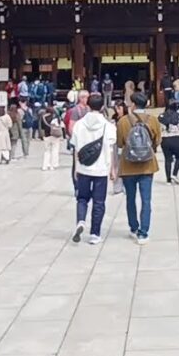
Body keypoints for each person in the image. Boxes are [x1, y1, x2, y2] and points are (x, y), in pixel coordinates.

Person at [114, 93, 161, 244]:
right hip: (147, 165)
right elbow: (157, 140)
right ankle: (144, 232)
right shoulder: (153, 120)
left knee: (130, 198)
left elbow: (120, 143)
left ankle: (133, 226)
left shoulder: (122, 121)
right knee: (146, 199)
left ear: (133, 105)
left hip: (128, 165)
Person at [70, 93, 116, 245]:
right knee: (99, 201)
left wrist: (76, 167)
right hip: (101, 168)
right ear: (103, 107)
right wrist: (112, 168)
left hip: (83, 168)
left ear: (88, 106)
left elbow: (76, 148)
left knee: (82, 198)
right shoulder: (108, 126)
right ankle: (95, 233)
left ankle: (81, 220)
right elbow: (110, 148)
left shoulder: (79, 125)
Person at [158, 99, 179, 184]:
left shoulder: (161, 116)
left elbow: (159, 128)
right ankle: (174, 174)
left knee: (167, 159)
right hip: (177, 139)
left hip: (165, 139)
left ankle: (168, 179)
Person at [38, 102, 63, 171]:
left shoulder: (43, 117)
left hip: (46, 135)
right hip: (55, 135)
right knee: (55, 150)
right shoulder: (56, 117)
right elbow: (60, 125)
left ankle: (45, 165)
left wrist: (41, 135)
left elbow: (41, 127)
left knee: (47, 151)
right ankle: (53, 165)